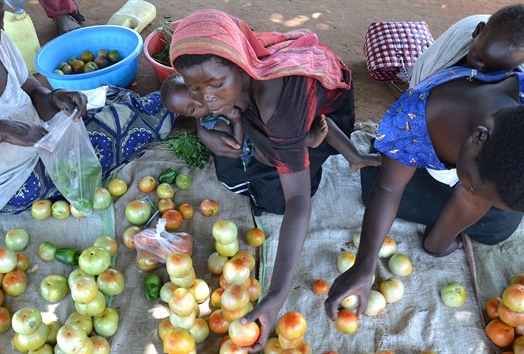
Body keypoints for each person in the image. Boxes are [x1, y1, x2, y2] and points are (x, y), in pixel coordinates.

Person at [169, 9, 358, 349]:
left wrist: (277, 292)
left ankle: (306, 148)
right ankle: (284, 148)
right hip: (263, 107)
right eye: (195, 88)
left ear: (241, 66)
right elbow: (186, 93)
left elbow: (298, 200)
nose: (205, 97)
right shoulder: (220, 79)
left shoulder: (278, 108)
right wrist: (203, 126)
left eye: (215, 85)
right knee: (231, 163)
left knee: (276, 200)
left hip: (325, 116)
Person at [0, 0, 175, 216]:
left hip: (43, 140)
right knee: (118, 122)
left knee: (109, 96)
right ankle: (178, 101)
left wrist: (54, 98)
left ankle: (174, 99)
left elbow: (32, 92)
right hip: (7, 186)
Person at [324, 63, 524, 321]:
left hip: (484, 160)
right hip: (427, 138)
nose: (474, 193)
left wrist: (438, 243)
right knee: (375, 182)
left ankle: (444, 231)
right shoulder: (415, 117)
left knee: (500, 227)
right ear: (478, 138)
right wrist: (364, 263)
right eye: (473, 186)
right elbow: (388, 187)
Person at [161, 73, 380, 175]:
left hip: (272, 125)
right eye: (192, 108)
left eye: (194, 93)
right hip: (256, 149)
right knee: (266, 151)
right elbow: (238, 146)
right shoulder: (213, 123)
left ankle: (355, 157)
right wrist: (237, 121)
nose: (198, 102)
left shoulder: (216, 91)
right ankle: (306, 141)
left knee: (323, 122)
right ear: (191, 116)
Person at [410, 4, 524, 87]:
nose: (481, 71)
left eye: (498, 69)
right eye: (480, 59)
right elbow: (423, 69)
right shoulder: (456, 44)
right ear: (478, 31)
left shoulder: (518, 74)